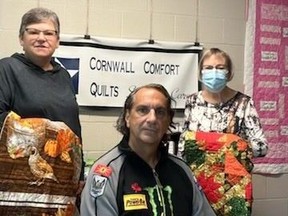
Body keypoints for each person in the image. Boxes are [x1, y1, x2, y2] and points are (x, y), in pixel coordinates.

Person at [81, 83, 216, 215]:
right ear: (127, 117)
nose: (152, 118)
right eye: (143, 110)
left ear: (169, 120)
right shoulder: (106, 173)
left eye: (160, 112)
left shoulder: (182, 170)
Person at [0, 7, 84, 215]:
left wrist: (80, 172)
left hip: (62, 183)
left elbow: (73, 126)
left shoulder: (63, 75)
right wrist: (46, 130)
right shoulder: (7, 69)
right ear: (21, 38)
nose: (41, 38)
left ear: (57, 40)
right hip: (21, 183)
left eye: (48, 33)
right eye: (33, 32)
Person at [178, 48, 268, 215]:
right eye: (209, 67)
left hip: (233, 187)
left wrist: (226, 143)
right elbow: (184, 144)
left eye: (220, 68)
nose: (214, 72)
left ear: (229, 72)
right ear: (201, 71)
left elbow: (262, 147)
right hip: (199, 184)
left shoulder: (243, 103)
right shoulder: (192, 101)